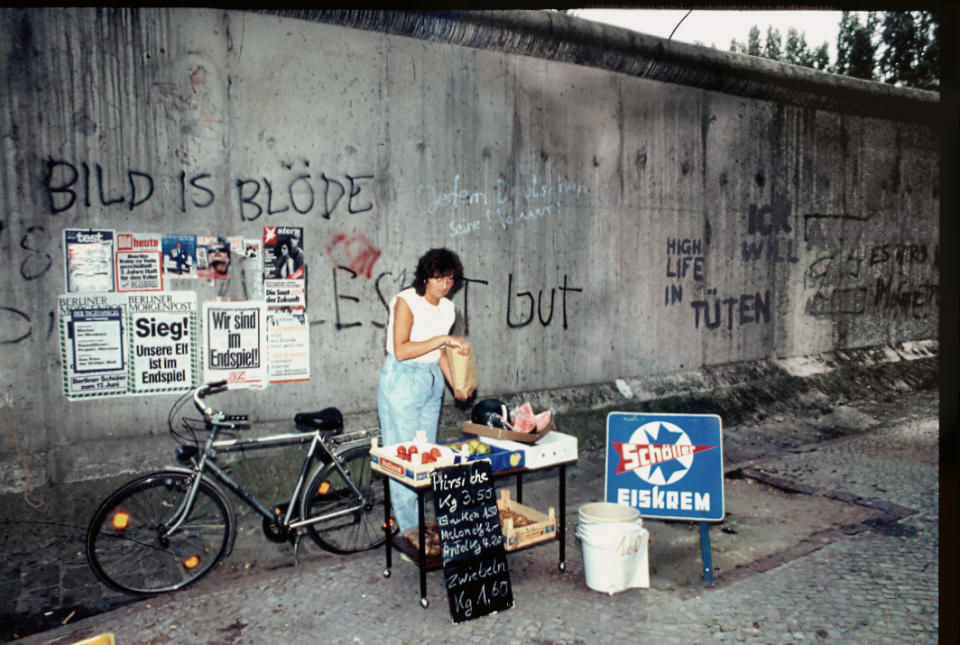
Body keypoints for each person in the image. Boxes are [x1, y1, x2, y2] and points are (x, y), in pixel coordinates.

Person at [377, 248, 474, 537]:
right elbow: (402, 349)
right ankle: (409, 528)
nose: (445, 285)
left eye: (450, 279)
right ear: (426, 277)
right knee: (405, 457)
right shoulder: (406, 301)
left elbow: (441, 353)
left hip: (431, 380)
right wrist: (443, 338)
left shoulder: (447, 309)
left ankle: (421, 522)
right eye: (439, 278)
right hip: (403, 379)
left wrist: (455, 382)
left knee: (427, 456)